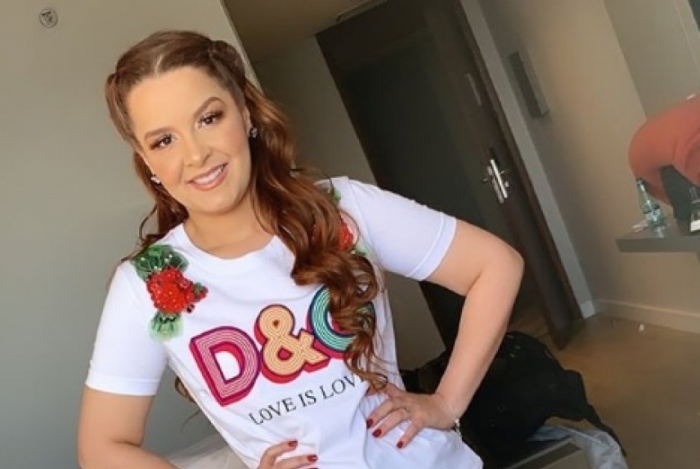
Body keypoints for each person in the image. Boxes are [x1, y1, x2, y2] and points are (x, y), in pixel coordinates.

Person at [77, 30, 523, 469]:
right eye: (164, 140)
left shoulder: (343, 208)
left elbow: (495, 266)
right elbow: (101, 448)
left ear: (245, 114)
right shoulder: (145, 285)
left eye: (208, 118)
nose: (195, 155)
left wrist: (446, 402)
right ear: (147, 161)